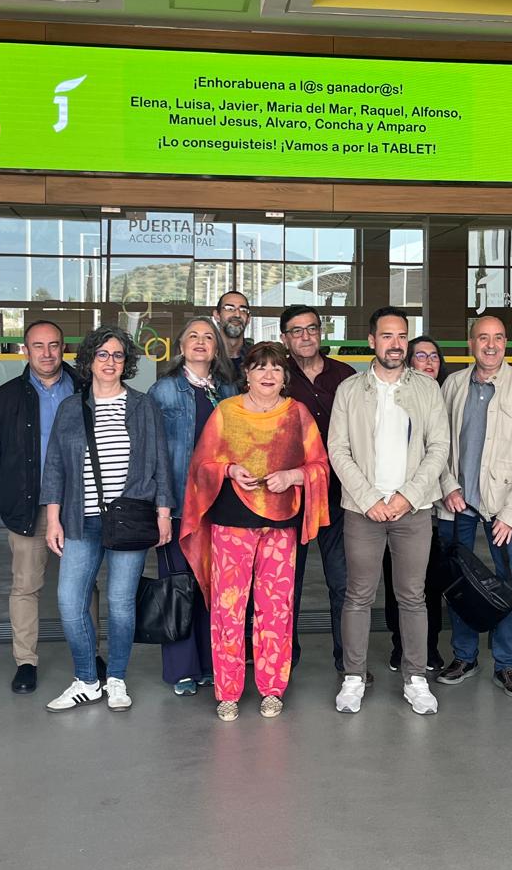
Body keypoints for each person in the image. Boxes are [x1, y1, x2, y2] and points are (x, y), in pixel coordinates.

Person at [181, 342, 331, 721]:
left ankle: (272, 689)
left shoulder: (298, 415)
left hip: (282, 524)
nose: (268, 375)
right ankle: (227, 690)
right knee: (228, 608)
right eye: (260, 368)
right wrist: (229, 471)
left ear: (285, 377)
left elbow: (320, 467)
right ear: (245, 373)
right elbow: (201, 466)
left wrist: (293, 475)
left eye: (277, 369)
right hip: (231, 523)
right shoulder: (226, 412)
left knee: (276, 609)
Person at [40, 327, 174, 714]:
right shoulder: (71, 407)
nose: (110, 362)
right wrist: (54, 519)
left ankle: (115, 677)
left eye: (117, 355)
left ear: (126, 363)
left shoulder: (143, 405)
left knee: (119, 602)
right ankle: (86, 679)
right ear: (89, 361)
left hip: (130, 518)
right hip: (80, 520)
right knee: (69, 601)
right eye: (103, 355)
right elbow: (55, 468)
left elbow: (161, 463)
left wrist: (163, 513)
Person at [328, 308, 450, 717]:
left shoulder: (427, 389)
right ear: (371, 341)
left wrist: (406, 497)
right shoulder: (349, 390)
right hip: (362, 510)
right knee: (358, 595)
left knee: (413, 597)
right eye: (387, 336)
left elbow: (438, 449)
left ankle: (416, 679)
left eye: (402, 336)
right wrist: (370, 499)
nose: (395, 343)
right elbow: (338, 451)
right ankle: (353, 677)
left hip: (412, 510)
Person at [435, 314, 512, 699]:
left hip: (503, 507)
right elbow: (440, 443)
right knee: (461, 583)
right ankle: (464, 656)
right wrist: (447, 484)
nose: (491, 345)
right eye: (483, 338)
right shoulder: (452, 385)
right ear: (471, 343)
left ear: (506, 344)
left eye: (498, 338)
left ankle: (506, 665)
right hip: (458, 503)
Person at [0, 320, 80, 695]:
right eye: (38, 346)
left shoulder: (85, 390)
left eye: (53, 345)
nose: (47, 353)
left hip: (80, 504)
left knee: (84, 584)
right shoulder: (4, 398)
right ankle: (26, 662)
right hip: (28, 505)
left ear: (63, 347)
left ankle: (90, 655)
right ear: (25, 350)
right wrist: (16, 478)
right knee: (25, 585)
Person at [147, 318, 238, 696]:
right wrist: (161, 509)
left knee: (215, 589)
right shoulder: (165, 390)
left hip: (221, 506)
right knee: (180, 587)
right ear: (180, 345)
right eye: (193, 337)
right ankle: (183, 669)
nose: (201, 343)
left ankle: (211, 665)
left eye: (208, 338)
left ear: (217, 347)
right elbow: (153, 454)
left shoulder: (229, 391)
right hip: (180, 507)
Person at [279, 303, 356, 672]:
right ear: (285, 338)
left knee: (342, 582)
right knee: (285, 585)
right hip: (290, 498)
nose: (306, 336)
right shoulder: (277, 377)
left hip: (339, 496)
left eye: (311, 328)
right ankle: (282, 661)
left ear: (321, 332)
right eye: (297, 330)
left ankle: (348, 662)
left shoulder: (345, 375)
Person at [381, 336, 453, 672]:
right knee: (397, 580)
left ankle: (429, 646)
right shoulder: (397, 398)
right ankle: (400, 645)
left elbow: (445, 452)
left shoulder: (446, 396)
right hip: (396, 505)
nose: (428, 361)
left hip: (437, 509)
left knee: (430, 582)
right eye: (419, 355)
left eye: (434, 356)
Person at [212, 291, 252, 374]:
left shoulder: (255, 357)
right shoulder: (205, 355)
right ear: (217, 315)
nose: (237, 314)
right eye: (229, 309)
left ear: (248, 319)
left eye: (243, 310)